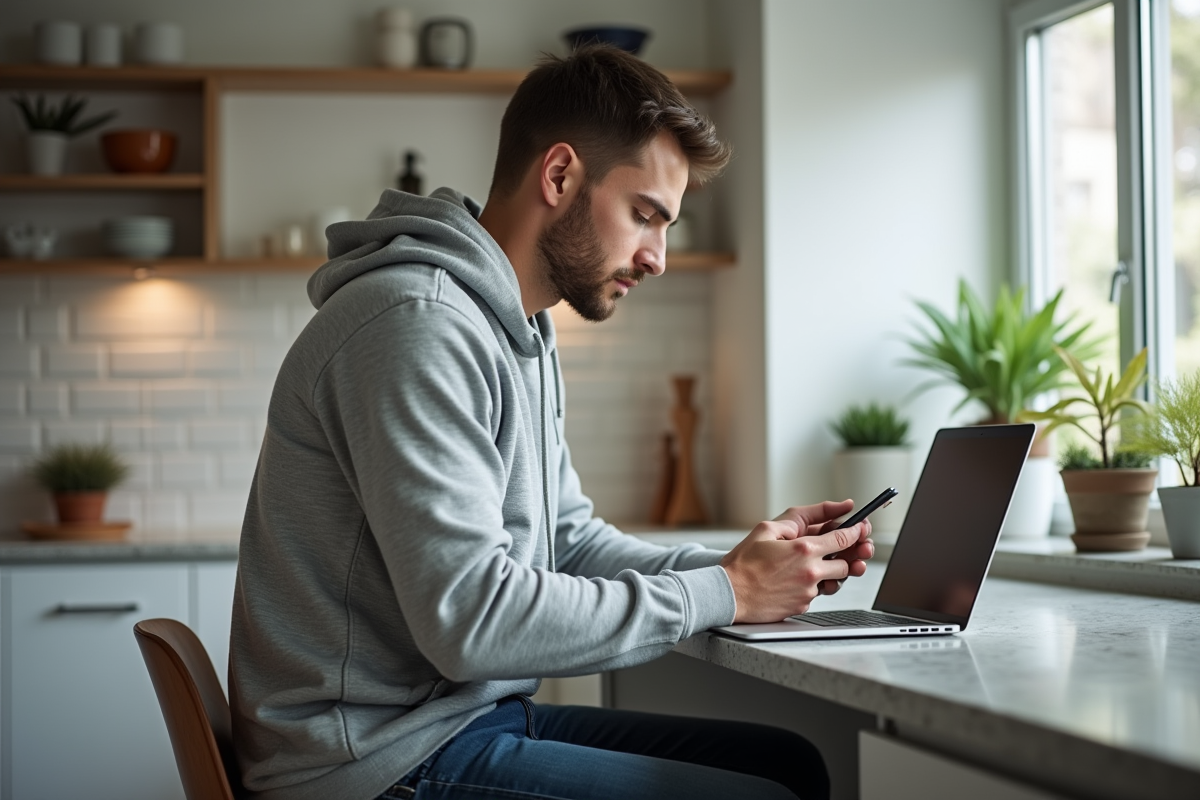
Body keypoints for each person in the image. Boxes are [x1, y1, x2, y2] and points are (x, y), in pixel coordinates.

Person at [229, 44, 874, 800]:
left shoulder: (519, 327)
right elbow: (470, 622)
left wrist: (740, 567)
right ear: (561, 175)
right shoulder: (417, 323)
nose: (658, 256)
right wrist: (728, 591)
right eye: (644, 215)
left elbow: (567, 540)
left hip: (459, 723)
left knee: (793, 766)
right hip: (369, 761)